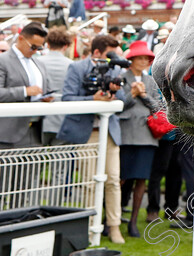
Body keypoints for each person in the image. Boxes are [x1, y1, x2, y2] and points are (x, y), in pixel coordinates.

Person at [57, 34, 127, 244]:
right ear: (96, 52)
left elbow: (124, 100)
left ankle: (113, 227)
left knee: (113, 181)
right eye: (109, 54)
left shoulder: (115, 69)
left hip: (109, 132)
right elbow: (67, 98)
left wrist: (115, 93)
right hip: (87, 132)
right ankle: (88, 227)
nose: (113, 58)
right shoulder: (77, 68)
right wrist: (92, 99)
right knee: (89, 182)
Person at [118, 41, 159, 238]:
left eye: (146, 58)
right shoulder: (120, 78)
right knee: (120, 179)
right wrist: (131, 95)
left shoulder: (151, 81)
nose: (143, 61)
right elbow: (117, 106)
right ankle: (114, 218)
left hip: (145, 136)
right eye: (140, 58)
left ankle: (133, 221)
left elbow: (158, 108)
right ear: (131, 59)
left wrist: (142, 95)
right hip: (124, 134)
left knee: (142, 179)